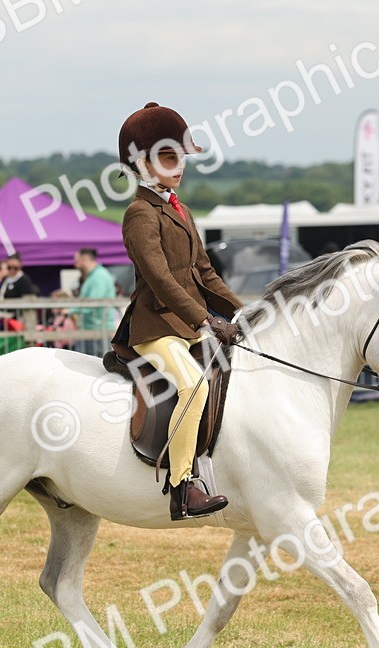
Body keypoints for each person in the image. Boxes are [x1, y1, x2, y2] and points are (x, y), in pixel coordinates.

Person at [113, 102, 244, 520]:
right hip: (154, 328)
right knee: (193, 386)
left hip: (185, 326)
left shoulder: (179, 209)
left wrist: (245, 312)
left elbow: (203, 272)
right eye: (169, 157)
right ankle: (181, 488)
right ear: (141, 162)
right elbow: (162, 281)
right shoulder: (139, 214)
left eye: (180, 157)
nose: (179, 166)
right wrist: (205, 319)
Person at [70, 248, 117, 357]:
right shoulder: (94, 276)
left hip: (97, 330)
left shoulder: (99, 276)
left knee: (96, 367)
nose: (74, 263)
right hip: (92, 329)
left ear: (84, 259)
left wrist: (72, 310)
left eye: (76, 260)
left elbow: (94, 302)